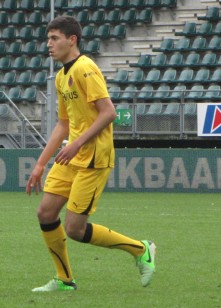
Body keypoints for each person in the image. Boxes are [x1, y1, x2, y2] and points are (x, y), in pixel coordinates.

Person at [25, 16, 156, 292]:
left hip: (94, 156)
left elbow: (108, 112)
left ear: (72, 40)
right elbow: (63, 124)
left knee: (74, 228)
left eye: (54, 38)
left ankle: (140, 249)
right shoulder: (61, 76)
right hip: (72, 155)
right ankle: (64, 280)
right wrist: (39, 164)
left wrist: (76, 143)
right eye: (48, 38)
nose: (49, 44)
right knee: (46, 212)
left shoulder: (86, 68)